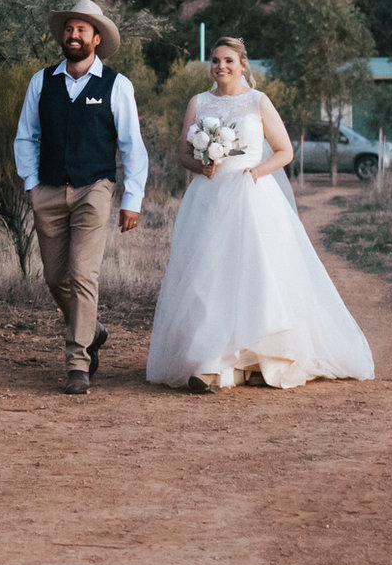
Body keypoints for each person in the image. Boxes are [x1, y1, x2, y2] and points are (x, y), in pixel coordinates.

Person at [145, 36, 375, 392]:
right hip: (208, 197)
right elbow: (182, 153)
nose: (221, 67)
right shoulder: (199, 102)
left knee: (255, 273)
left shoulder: (258, 101)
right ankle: (210, 361)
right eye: (216, 61)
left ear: (243, 65)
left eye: (229, 61)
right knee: (208, 275)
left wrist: (257, 171)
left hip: (252, 196)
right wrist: (200, 164)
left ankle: (259, 358)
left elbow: (284, 151)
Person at [12, 0, 148, 395]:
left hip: (95, 188)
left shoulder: (116, 85)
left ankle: (77, 362)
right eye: (69, 29)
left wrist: (132, 199)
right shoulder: (42, 81)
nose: (73, 35)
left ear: (96, 38)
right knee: (55, 277)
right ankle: (94, 329)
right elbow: (26, 135)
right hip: (49, 190)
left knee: (83, 273)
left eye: (82, 30)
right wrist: (31, 184)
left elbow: (132, 146)